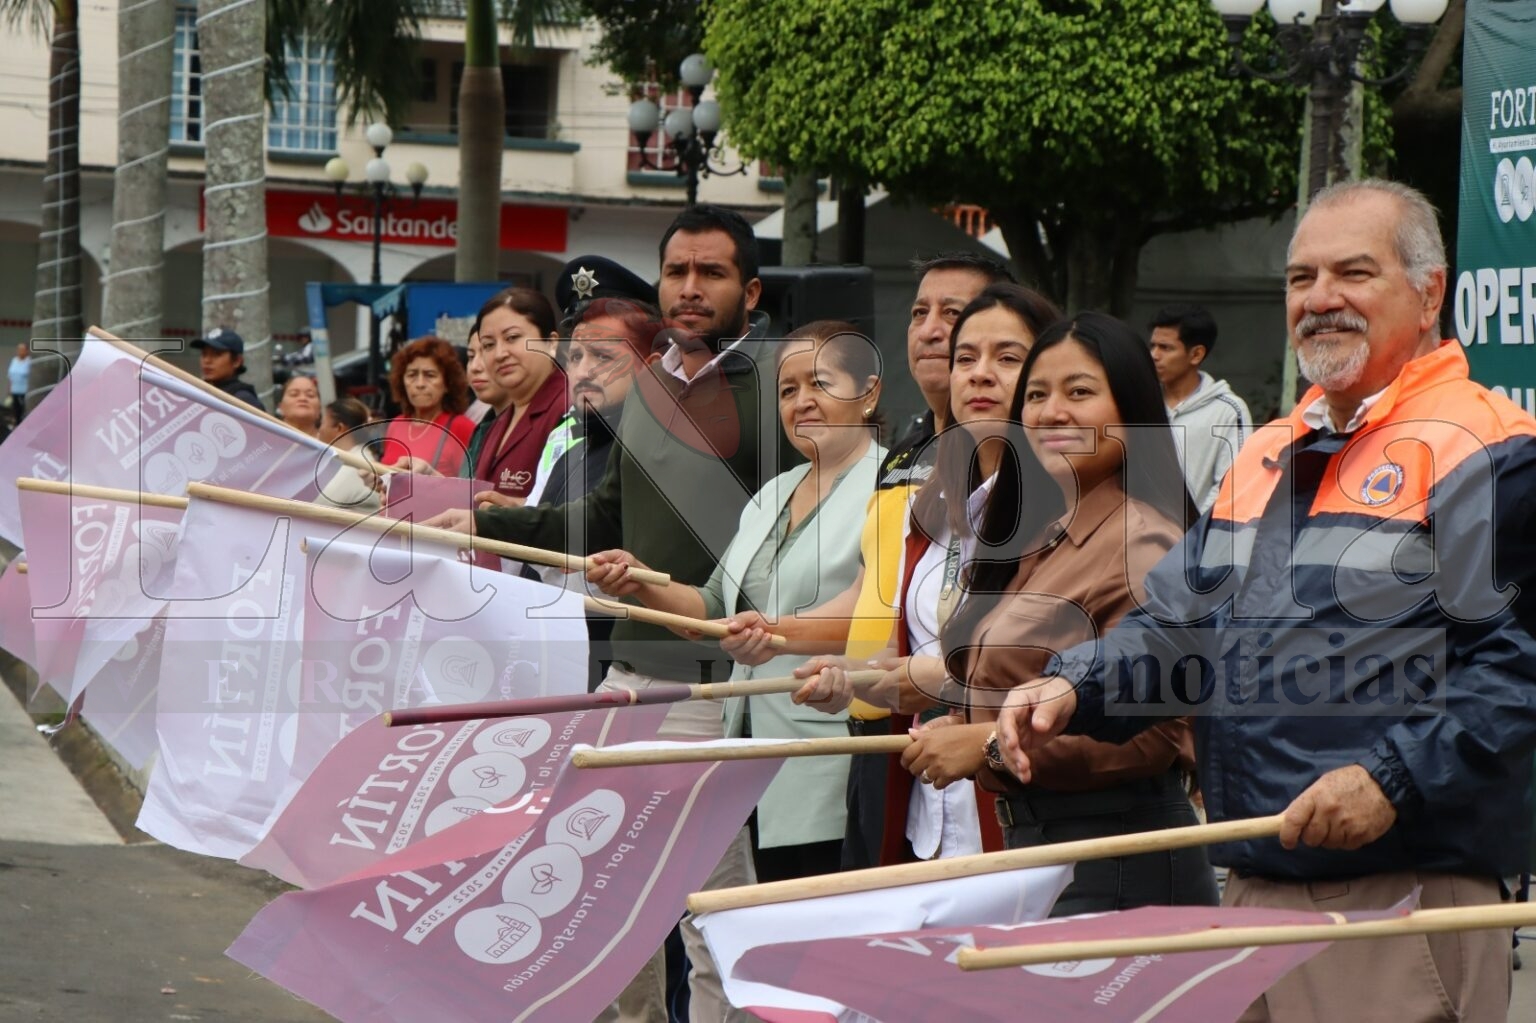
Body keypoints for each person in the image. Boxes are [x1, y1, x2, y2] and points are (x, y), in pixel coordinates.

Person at [995, 179, 1536, 1021]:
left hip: (1397, 905)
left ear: (1430, 293)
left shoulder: (1492, 447)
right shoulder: (1274, 447)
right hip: (1249, 891)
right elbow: (1178, 627)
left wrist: (1390, 778)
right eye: (1299, 278)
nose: (1320, 300)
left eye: (1354, 273)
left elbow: (1513, 671)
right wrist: (1075, 683)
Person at [423, 204, 799, 1023]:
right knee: (600, 898)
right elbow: (601, 514)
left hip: (712, 688)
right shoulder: (657, 385)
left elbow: (803, 535)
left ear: (753, 288)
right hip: (628, 681)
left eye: (713, 272)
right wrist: (488, 519)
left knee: (714, 915)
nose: (691, 288)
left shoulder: (779, 391)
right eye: (677, 271)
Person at [903, 311, 1216, 916]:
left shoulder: (1144, 541)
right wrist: (969, 723)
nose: (1051, 414)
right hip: (1045, 853)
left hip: (1117, 858)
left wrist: (990, 745)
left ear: (1132, 412)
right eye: (1038, 396)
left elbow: (1152, 735)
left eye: (1080, 393)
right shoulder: (1041, 535)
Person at [587, 321, 886, 881]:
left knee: (810, 944)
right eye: (787, 390)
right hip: (745, 762)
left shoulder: (893, 484)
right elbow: (712, 609)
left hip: (829, 763)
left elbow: (874, 609)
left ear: (868, 392)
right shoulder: (776, 490)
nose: (802, 402)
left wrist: (771, 632)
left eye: (819, 383)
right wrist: (642, 581)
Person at [1147, 303, 1252, 512]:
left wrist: (1193, 534)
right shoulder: (1142, 400)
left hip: (1194, 539)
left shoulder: (1228, 411)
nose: (1154, 355)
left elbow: (1231, 483)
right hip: (1135, 535)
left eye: (1165, 348)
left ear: (1196, 355)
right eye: (1153, 346)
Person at [467, 288, 566, 504]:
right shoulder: (498, 420)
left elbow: (576, 510)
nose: (500, 354)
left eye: (512, 338)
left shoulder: (570, 409)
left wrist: (515, 511)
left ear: (551, 343)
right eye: (488, 345)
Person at [380, 335, 476, 477]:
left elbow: (471, 489)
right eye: (412, 375)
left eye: (430, 375)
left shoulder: (461, 427)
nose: (420, 384)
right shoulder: (396, 424)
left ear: (447, 384)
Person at [315, 397, 381, 512]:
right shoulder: (351, 459)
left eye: (322, 423)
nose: (319, 430)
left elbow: (317, 504)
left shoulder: (357, 465)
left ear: (339, 428)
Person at [192, 327, 264, 412]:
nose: (207, 360)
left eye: (216, 354)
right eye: (204, 354)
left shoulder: (243, 400)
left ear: (237, 361)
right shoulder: (198, 392)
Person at [8, 343, 28, 425]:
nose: (20, 352)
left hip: (24, 392)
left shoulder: (29, 362)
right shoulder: (14, 360)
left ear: (27, 351)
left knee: (22, 412)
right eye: (19, 350)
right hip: (14, 391)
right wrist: (9, 390)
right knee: (15, 413)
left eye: (22, 350)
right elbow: (10, 376)